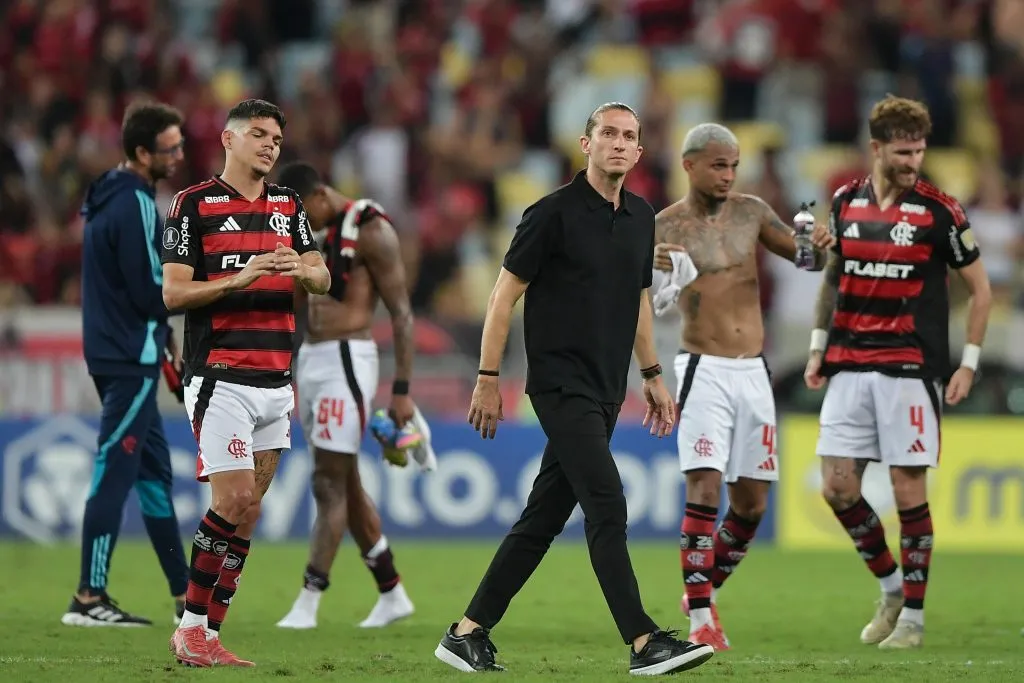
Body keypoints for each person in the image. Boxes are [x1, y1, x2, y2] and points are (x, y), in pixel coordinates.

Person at [433, 102, 714, 676]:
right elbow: (503, 296)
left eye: (629, 136)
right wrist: (488, 379)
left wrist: (654, 374)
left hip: (609, 388)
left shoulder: (640, 216)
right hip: (560, 385)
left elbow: (638, 301)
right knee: (607, 502)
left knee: (542, 518)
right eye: (607, 133)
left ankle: (466, 632)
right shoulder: (551, 213)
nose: (618, 143)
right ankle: (642, 641)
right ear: (585, 145)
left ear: (639, 152)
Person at [805, 95, 992, 649]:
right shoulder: (844, 203)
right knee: (837, 488)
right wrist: (818, 348)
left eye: (920, 150)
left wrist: (969, 363)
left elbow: (980, 290)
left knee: (908, 490)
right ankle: (891, 587)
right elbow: (832, 278)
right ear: (877, 148)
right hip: (848, 364)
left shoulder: (941, 211)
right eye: (904, 152)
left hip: (910, 368)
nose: (914, 161)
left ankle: (912, 617)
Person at [159, 99, 330, 667]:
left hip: (277, 381)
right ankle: (187, 625)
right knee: (231, 498)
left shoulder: (289, 204)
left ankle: (209, 632)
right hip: (220, 376)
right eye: (257, 134)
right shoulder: (193, 205)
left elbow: (322, 276)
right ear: (228, 140)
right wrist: (242, 278)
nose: (269, 145)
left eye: (276, 138)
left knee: (250, 511)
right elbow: (175, 294)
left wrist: (303, 271)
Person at [652, 123, 834, 651]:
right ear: (689, 166)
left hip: (754, 370)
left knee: (752, 505)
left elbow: (805, 259)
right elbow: (636, 289)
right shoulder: (665, 226)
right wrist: (652, 270)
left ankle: (701, 588)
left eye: (733, 165)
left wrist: (818, 244)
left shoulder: (752, 212)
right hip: (702, 368)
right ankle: (702, 619)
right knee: (704, 487)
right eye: (718, 165)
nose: (728, 174)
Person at [272, 161, 420, 630]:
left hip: (346, 362)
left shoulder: (372, 230)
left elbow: (401, 313)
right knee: (346, 481)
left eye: (303, 210)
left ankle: (308, 601)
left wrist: (401, 392)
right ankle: (392, 591)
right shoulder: (311, 233)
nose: (301, 221)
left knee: (327, 483)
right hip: (313, 362)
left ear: (318, 196)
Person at [65, 101, 190, 627]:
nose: (180, 157)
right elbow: (149, 287)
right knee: (115, 468)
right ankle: (89, 597)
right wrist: (199, 296)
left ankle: (187, 597)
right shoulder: (137, 201)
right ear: (143, 153)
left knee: (153, 477)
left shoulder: (106, 195)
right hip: (130, 355)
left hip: (119, 349)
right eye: (171, 148)